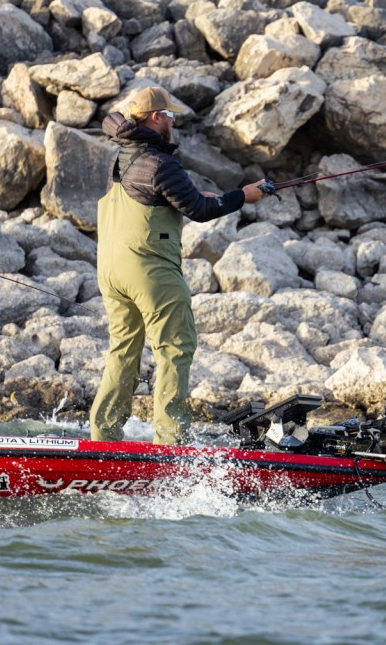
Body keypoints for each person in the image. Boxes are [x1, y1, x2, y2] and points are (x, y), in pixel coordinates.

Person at [89, 86, 266, 445]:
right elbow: (199, 211)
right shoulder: (160, 162)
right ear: (156, 118)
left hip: (110, 269)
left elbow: (155, 197)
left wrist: (198, 197)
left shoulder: (120, 156)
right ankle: (171, 444)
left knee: (123, 350)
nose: (173, 121)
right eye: (170, 115)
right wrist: (243, 196)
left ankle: (102, 439)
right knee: (174, 347)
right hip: (149, 269)